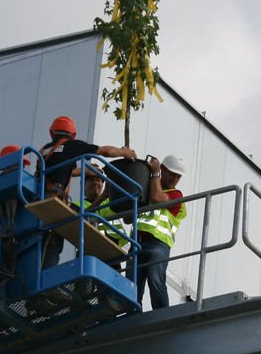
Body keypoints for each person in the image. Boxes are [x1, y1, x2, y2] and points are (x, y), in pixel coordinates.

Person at [40, 116, 135, 267]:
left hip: (38, 197)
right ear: (73, 135)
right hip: (54, 198)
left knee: (40, 240)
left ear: (52, 133)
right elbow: (105, 151)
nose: (96, 183)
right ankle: (46, 274)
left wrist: (86, 170)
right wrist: (124, 152)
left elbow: (62, 171)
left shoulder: (44, 151)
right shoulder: (72, 145)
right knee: (53, 241)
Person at [135, 154, 187, 309]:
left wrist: (155, 174)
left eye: (178, 176)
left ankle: (162, 314)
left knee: (156, 282)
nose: (175, 179)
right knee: (132, 286)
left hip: (158, 244)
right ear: (163, 169)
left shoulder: (176, 195)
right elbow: (128, 219)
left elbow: (158, 198)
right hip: (137, 242)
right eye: (172, 174)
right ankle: (131, 318)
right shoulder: (147, 191)